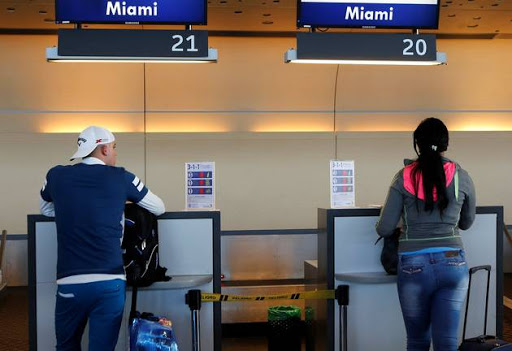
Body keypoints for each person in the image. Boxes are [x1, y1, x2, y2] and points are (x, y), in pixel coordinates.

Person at [39, 126, 165, 351]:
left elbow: (46, 210)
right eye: (114, 148)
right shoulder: (122, 178)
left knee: (66, 346)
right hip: (110, 281)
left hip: (69, 282)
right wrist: (117, 205)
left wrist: (76, 208)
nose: (116, 153)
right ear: (104, 149)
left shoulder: (57, 175)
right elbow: (159, 207)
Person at [376, 117, 476, 351]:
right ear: (445, 144)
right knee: (447, 343)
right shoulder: (462, 176)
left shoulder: (403, 176)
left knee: (418, 341)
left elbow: (384, 228)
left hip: (413, 264)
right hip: (453, 262)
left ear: (417, 144)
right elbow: (467, 222)